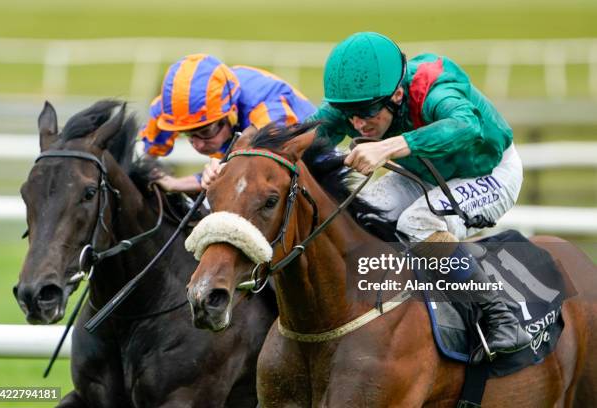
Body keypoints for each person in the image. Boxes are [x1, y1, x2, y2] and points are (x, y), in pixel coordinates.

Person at [311, 31, 532, 363]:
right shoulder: (358, 99)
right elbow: (301, 137)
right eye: (349, 114)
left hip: (489, 172)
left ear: (397, 94)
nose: (357, 124)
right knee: (359, 213)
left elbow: (465, 125)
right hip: (425, 175)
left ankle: (499, 314)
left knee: (417, 222)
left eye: (368, 113)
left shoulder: (435, 85)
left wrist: (387, 147)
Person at [141, 53, 316, 192]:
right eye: (188, 134)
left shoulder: (263, 100)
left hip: (313, 162)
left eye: (206, 131)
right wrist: (161, 177)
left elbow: (254, 157)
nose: (199, 145)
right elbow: (146, 155)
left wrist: (183, 182)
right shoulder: (169, 109)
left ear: (231, 113)